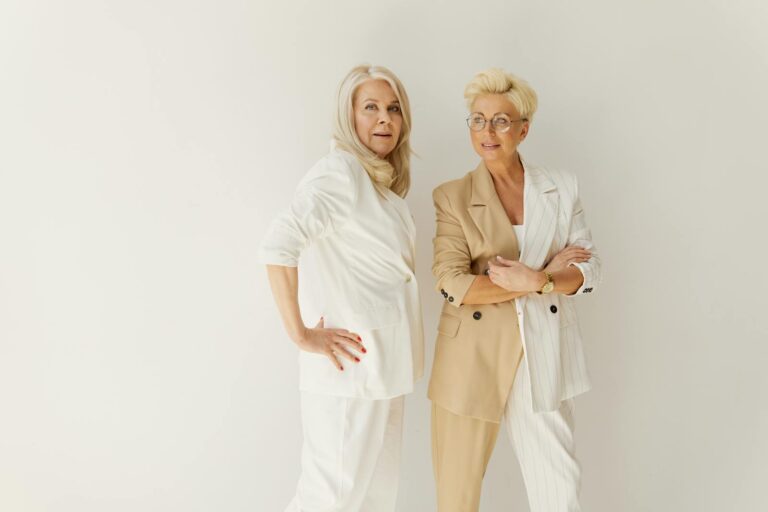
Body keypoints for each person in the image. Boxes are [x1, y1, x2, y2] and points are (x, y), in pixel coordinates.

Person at [428, 68, 602, 512]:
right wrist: (541, 278)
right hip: (471, 359)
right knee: (457, 499)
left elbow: (590, 269)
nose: (488, 131)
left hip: (541, 354)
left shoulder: (561, 188)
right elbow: (451, 281)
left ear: (524, 128)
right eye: (478, 119)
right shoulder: (452, 196)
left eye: (501, 120)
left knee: (559, 493)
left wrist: (537, 280)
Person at [259, 64, 424, 512]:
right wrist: (300, 334)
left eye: (393, 109)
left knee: (374, 499)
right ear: (348, 116)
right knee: (328, 499)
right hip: (349, 373)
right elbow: (279, 244)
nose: (385, 119)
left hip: (384, 370)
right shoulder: (340, 173)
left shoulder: (380, 186)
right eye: (370, 107)